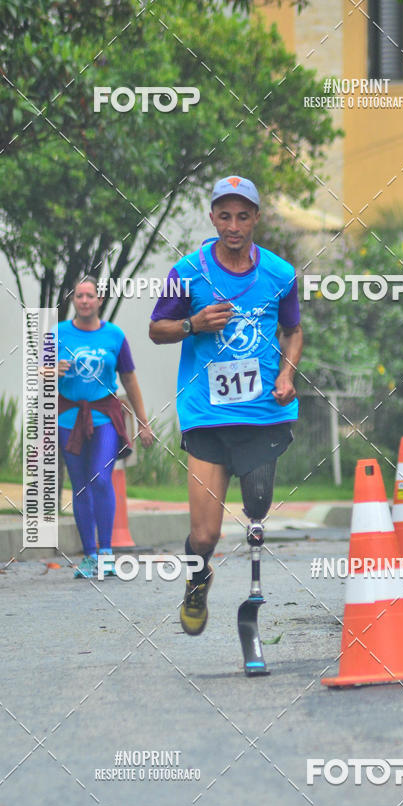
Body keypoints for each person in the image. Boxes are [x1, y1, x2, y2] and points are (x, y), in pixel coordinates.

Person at [149, 175, 303, 634]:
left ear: (256, 217)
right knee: (206, 534)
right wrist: (193, 324)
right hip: (208, 414)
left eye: (242, 215)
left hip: (261, 412)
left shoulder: (279, 273)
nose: (233, 225)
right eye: (224, 215)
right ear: (212, 217)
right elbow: (157, 329)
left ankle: (252, 597)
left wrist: (287, 373)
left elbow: (293, 330)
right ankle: (198, 578)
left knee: (257, 504)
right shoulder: (188, 272)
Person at [54, 276, 154, 579]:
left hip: (104, 418)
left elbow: (129, 379)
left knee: (100, 478)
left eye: (90, 296)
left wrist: (142, 421)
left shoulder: (114, 336)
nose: (84, 301)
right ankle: (90, 555)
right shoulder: (57, 334)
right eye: (79, 296)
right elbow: (36, 376)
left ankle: (108, 552)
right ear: (73, 300)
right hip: (68, 418)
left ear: (99, 300)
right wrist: (48, 371)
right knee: (80, 486)